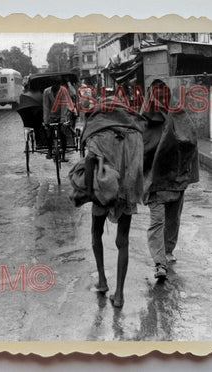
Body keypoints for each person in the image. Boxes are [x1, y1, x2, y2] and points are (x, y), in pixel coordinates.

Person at [71, 98, 145, 308]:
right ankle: (119, 294)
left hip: (103, 190)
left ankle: (102, 281)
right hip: (127, 191)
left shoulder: (98, 131)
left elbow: (90, 161)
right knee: (123, 241)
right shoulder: (134, 132)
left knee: (96, 233)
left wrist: (86, 191)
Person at [142, 79, 199, 280]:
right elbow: (139, 152)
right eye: (156, 95)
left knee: (172, 220)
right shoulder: (144, 123)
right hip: (155, 182)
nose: (159, 99)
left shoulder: (178, 117)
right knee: (158, 221)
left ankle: (167, 251)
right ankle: (160, 262)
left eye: (162, 95)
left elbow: (191, 143)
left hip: (175, 180)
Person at [42, 80, 69, 161]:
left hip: (61, 115)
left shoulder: (63, 92)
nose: (56, 87)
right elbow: (46, 106)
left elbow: (64, 106)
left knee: (63, 134)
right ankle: (49, 150)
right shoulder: (46, 92)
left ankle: (63, 155)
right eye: (54, 85)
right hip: (50, 115)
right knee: (49, 134)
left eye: (57, 85)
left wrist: (63, 120)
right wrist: (46, 121)